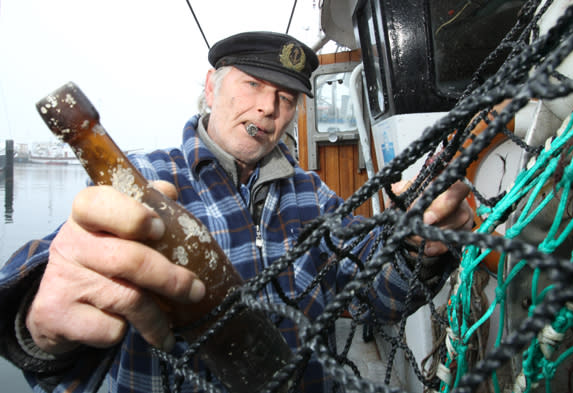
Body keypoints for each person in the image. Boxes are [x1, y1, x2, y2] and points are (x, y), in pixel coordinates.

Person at [0, 31, 473, 392]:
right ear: (211, 86)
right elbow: (63, 262)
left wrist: (417, 246)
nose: (268, 108)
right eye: (253, 84)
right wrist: (35, 318)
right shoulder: (142, 179)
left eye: (287, 98)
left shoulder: (314, 192)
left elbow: (377, 298)